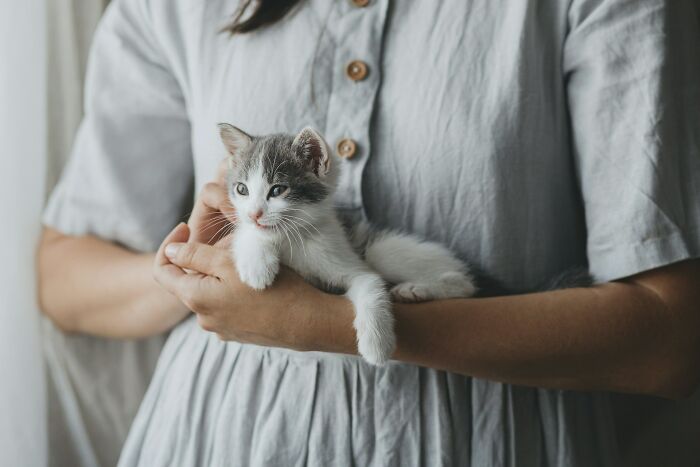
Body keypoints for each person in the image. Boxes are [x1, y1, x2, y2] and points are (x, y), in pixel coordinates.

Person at [38, 0, 700, 465]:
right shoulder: (173, 8)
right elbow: (63, 277)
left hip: (483, 439)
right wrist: (199, 272)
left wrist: (323, 321)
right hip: (220, 435)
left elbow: (668, 341)